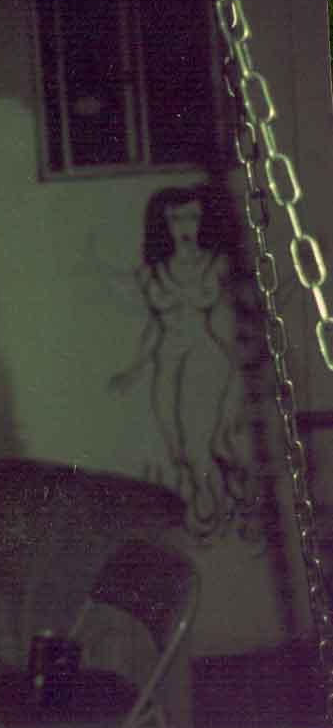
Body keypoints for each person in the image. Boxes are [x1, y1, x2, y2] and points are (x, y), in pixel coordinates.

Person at [108, 185, 253, 540]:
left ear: (203, 221)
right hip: (166, 363)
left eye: (192, 217)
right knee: (176, 450)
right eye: (175, 219)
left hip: (206, 358)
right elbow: (153, 329)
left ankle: (211, 510)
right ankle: (216, 497)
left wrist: (242, 365)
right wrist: (132, 370)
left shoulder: (217, 265)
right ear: (164, 224)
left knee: (196, 445)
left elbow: (231, 320)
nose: (185, 226)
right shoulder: (151, 272)